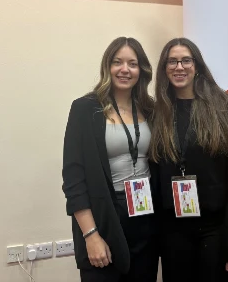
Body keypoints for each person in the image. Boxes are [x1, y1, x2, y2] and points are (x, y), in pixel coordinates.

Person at [148, 37, 228, 282]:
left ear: (197, 66)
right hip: (173, 232)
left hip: (216, 231)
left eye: (186, 60)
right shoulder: (159, 112)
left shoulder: (224, 108)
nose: (179, 67)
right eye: (172, 61)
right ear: (164, 69)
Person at [61, 37, 160, 282]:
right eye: (118, 62)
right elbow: (74, 178)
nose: (125, 69)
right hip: (105, 215)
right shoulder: (85, 109)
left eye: (132, 63)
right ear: (108, 66)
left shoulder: (151, 109)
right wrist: (91, 235)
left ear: (142, 70)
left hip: (145, 215)